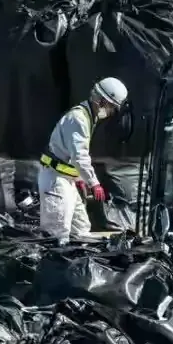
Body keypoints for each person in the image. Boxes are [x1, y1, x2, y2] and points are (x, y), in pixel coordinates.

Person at [38, 77, 128, 244]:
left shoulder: (87, 117)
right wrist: (94, 183)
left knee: (81, 229)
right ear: (102, 101)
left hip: (66, 179)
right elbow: (79, 156)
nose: (110, 113)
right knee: (57, 233)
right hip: (55, 180)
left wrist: (79, 179)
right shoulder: (79, 118)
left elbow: (69, 153)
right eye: (111, 108)